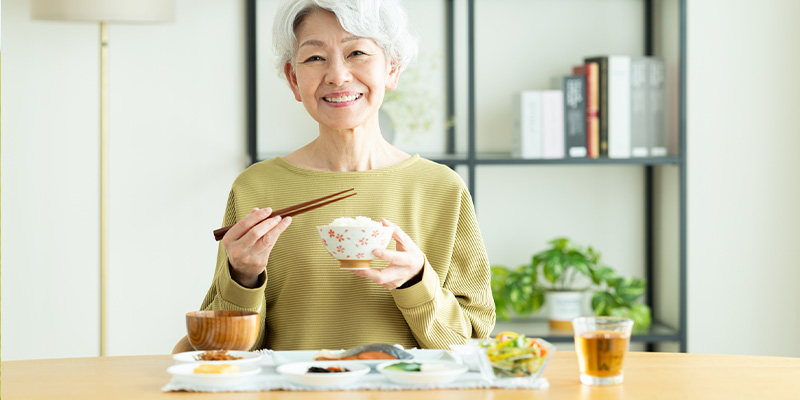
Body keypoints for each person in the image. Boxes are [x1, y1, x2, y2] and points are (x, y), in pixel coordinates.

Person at [174, 0, 494, 353]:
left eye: (356, 52)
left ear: (392, 69)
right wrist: (243, 277)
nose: (338, 75)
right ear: (295, 80)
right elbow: (219, 352)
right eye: (314, 58)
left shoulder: (441, 188)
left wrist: (418, 281)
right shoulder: (256, 187)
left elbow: (472, 344)